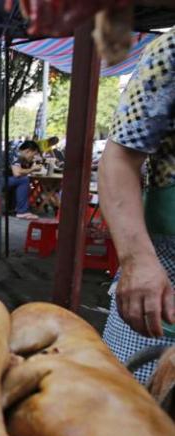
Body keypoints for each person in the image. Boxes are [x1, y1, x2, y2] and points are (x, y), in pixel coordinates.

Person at [99, 29, 175, 384]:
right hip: (166, 266)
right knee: (129, 405)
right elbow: (119, 160)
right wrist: (138, 260)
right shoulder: (171, 49)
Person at [0, 140, 42, 220]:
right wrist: (32, 169)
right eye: (33, 155)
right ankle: (22, 212)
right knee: (24, 180)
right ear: (28, 151)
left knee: (19, 180)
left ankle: (13, 208)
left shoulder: (15, 152)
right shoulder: (15, 153)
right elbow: (17, 173)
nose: (33, 158)